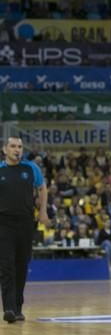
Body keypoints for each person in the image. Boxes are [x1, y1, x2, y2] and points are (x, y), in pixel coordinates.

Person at [0, 136, 49, 323]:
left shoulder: (31, 168)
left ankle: (18, 308)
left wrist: (43, 211)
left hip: (26, 223)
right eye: (12, 146)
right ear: (5, 149)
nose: (17, 149)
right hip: (3, 223)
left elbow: (42, 188)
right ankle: (9, 308)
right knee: (6, 266)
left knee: (21, 266)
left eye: (19, 146)